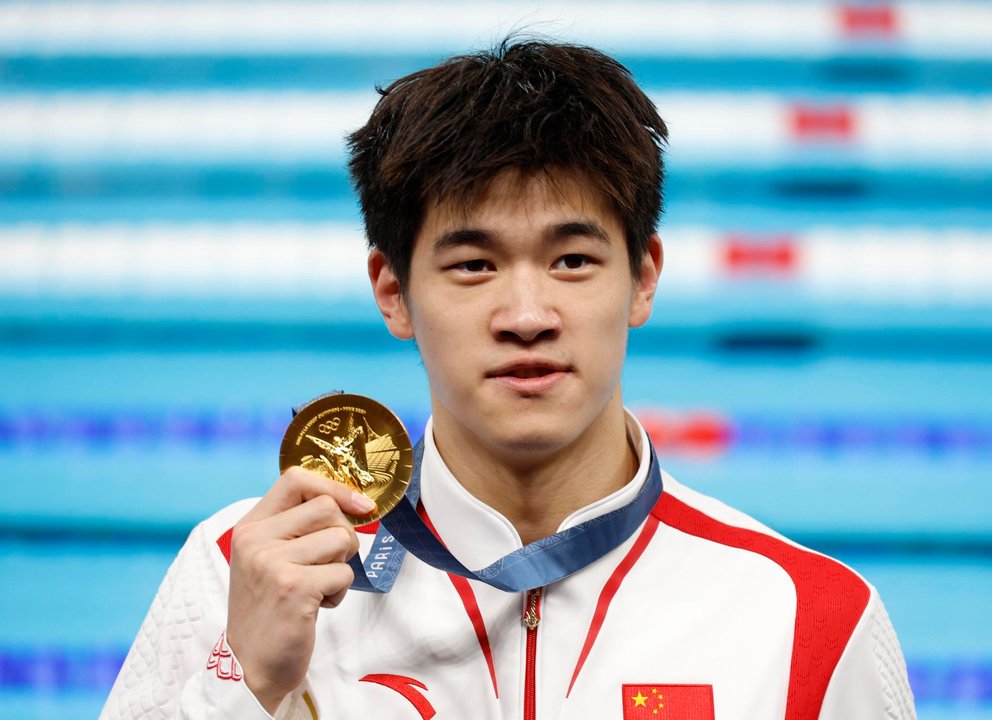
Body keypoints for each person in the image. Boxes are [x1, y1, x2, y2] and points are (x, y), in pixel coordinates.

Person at [101, 39, 916, 719]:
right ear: (394, 292)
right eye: (474, 263)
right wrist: (243, 684)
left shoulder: (807, 617)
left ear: (641, 279)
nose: (526, 313)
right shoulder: (241, 567)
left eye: (571, 260)